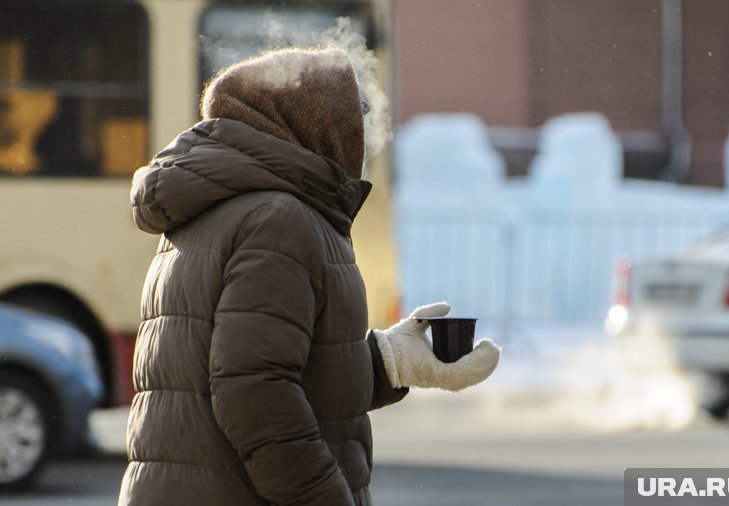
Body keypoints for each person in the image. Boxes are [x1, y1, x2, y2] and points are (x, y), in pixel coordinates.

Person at [118, 47, 500, 506]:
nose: (359, 140)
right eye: (351, 121)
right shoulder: (279, 218)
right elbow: (257, 393)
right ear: (316, 126)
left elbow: (271, 367)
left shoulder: (219, 208)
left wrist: (392, 361)